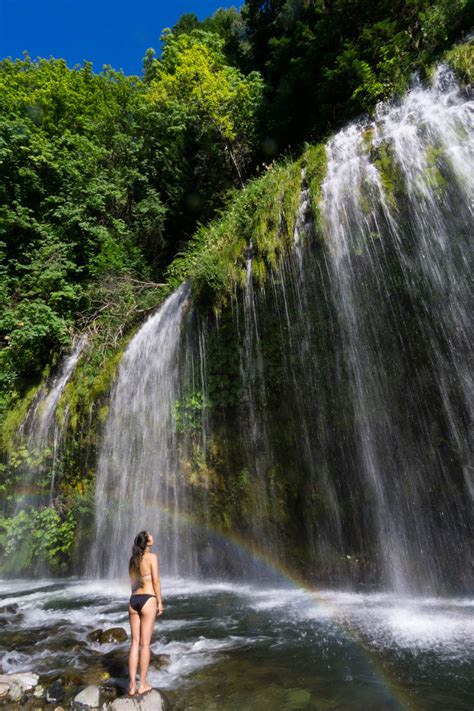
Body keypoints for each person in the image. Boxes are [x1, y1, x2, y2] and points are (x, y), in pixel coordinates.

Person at [128, 530, 164, 696]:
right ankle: (142, 684)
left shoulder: (133, 560)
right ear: (148, 542)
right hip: (148, 599)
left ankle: (131, 685)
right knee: (145, 644)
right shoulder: (152, 557)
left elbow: (132, 583)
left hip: (133, 600)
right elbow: (156, 581)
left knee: (134, 643)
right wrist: (160, 602)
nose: (152, 535)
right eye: (150, 535)